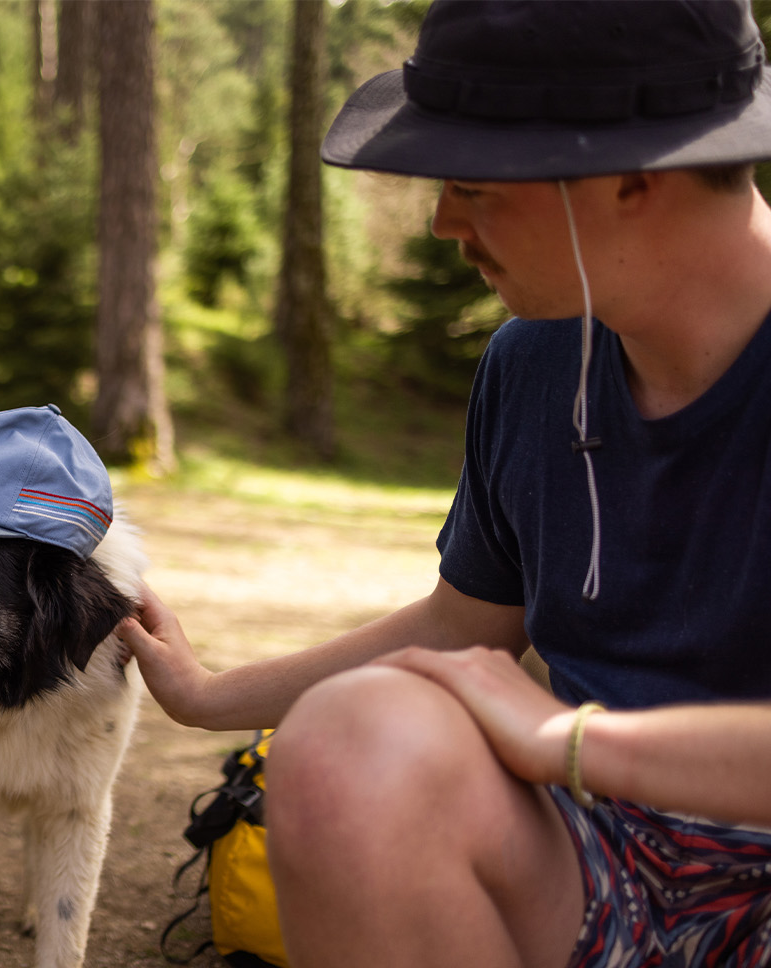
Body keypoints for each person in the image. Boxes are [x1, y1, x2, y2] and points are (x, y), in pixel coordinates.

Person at [117, 2, 771, 966]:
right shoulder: (534, 363)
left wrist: (575, 742)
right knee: (346, 742)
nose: (442, 225)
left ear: (635, 176)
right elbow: (464, 626)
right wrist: (208, 693)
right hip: (593, 857)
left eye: (473, 186)